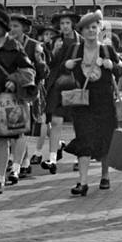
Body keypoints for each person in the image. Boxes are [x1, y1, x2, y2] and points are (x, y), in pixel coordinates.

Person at [61, 11, 122, 196]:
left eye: (94, 27)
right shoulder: (75, 49)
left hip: (104, 100)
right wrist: (67, 66)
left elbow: (121, 70)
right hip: (82, 101)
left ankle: (105, 176)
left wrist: (110, 65)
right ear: (81, 31)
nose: (90, 30)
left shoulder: (107, 49)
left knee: (105, 138)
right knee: (84, 138)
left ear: (99, 29)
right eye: (87, 28)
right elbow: (59, 70)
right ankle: (82, 182)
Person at [0, 6, 35, 195]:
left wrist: (14, 80)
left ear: (4, 27)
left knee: (3, 139)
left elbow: (29, 71)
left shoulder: (14, 47)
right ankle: (5, 165)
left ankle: (0, 177)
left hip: (7, 99)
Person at [38, 9, 80, 172]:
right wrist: (53, 50)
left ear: (73, 24)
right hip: (56, 85)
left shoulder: (81, 41)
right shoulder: (54, 41)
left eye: (67, 23)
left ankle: (80, 156)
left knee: (78, 122)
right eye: (62, 23)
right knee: (55, 121)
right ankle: (53, 158)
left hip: (75, 84)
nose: (65, 26)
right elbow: (48, 63)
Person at [8, 13, 47, 180]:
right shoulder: (4, 45)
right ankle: (23, 160)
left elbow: (43, 71)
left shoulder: (34, 46)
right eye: (10, 26)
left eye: (16, 26)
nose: (12, 29)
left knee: (22, 130)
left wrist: (38, 62)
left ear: (24, 28)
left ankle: (19, 165)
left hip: (28, 92)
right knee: (11, 130)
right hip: (8, 91)